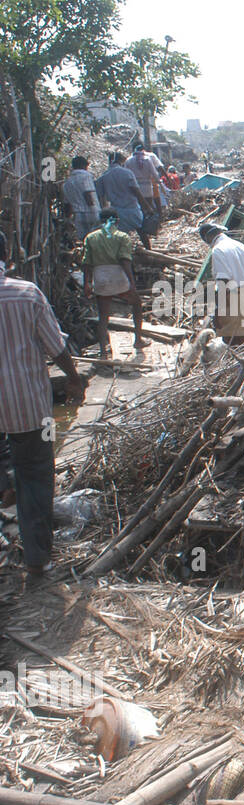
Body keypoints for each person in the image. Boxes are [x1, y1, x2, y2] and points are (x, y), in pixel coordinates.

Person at [0, 232, 87, 577]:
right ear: (8, 252)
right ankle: (37, 560)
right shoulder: (25, 293)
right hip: (28, 408)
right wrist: (74, 377)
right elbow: (55, 346)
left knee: (15, 477)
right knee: (36, 478)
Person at [83, 211, 149, 357]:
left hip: (100, 276)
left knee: (103, 316)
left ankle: (103, 351)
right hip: (118, 274)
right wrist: (131, 282)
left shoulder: (91, 237)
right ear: (117, 220)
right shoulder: (122, 237)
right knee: (136, 304)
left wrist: (87, 283)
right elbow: (125, 260)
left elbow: (87, 262)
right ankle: (138, 339)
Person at [199, 223, 244, 343]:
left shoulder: (218, 250)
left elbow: (223, 280)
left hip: (234, 297)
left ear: (208, 238)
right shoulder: (240, 245)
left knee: (233, 342)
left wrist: (218, 310)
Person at [96, 152, 151, 250]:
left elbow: (101, 197)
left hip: (116, 211)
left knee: (119, 235)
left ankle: (121, 253)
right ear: (121, 161)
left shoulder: (104, 176)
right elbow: (136, 191)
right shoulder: (127, 173)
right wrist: (147, 207)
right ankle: (149, 250)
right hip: (132, 208)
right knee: (141, 232)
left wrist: (104, 212)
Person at [62, 156, 101, 241]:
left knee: (84, 239)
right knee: (97, 238)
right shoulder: (85, 176)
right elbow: (88, 194)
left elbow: (67, 204)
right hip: (91, 212)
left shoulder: (67, 182)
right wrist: (95, 211)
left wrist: (67, 219)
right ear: (84, 165)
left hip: (78, 215)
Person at [125, 143, 162, 216]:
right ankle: (151, 222)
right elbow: (154, 173)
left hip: (135, 187)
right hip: (147, 186)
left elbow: (126, 174)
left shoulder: (129, 160)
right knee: (149, 205)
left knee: (139, 206)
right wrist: (158, 181)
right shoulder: (147, 160)